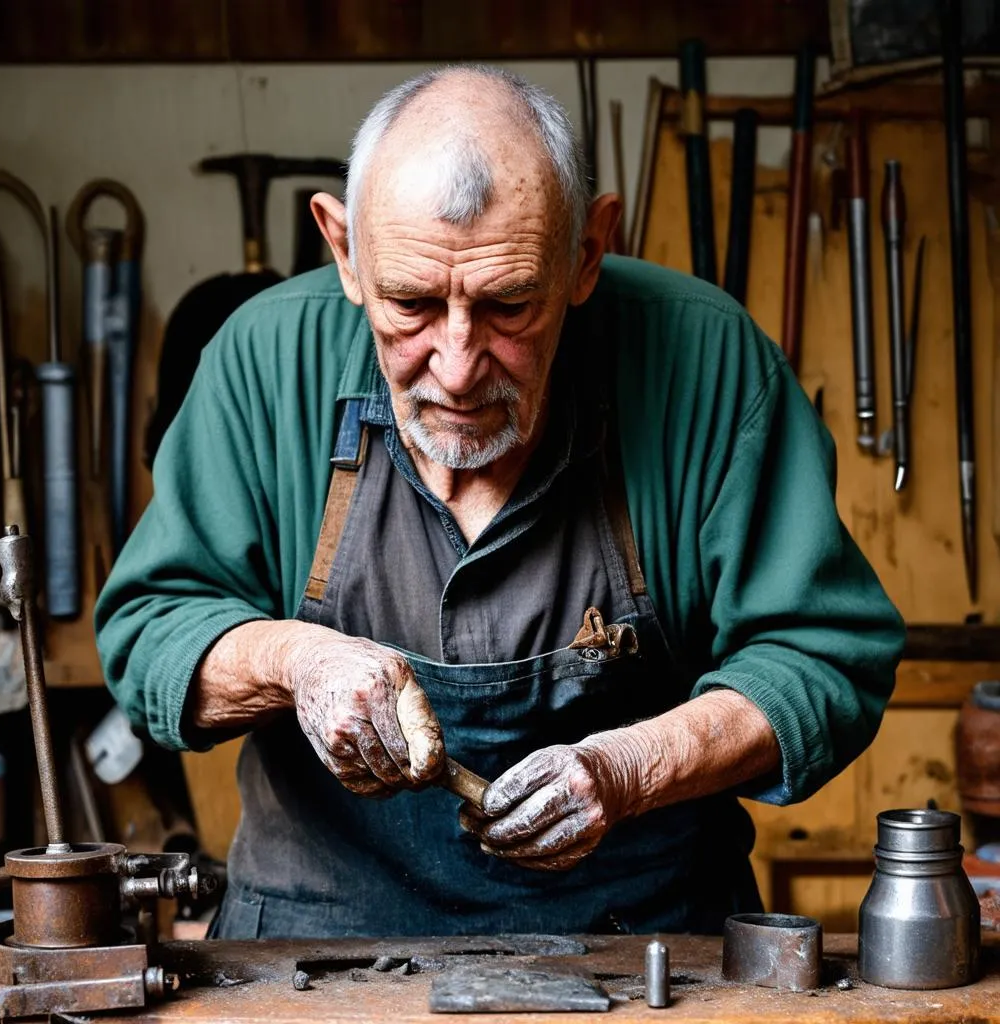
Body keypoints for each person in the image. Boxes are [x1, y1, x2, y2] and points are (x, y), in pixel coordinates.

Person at [96, 66, 905, 939]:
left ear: (587, 253)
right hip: (312, 948)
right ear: (344, 251)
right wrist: (301, 663)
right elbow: (152, 631)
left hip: (645, 946)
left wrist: (629, 767)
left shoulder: (709, 365)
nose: (455, 364)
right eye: (409, 303)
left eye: (508, 304)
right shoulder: (261, 363)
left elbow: (822, 656)